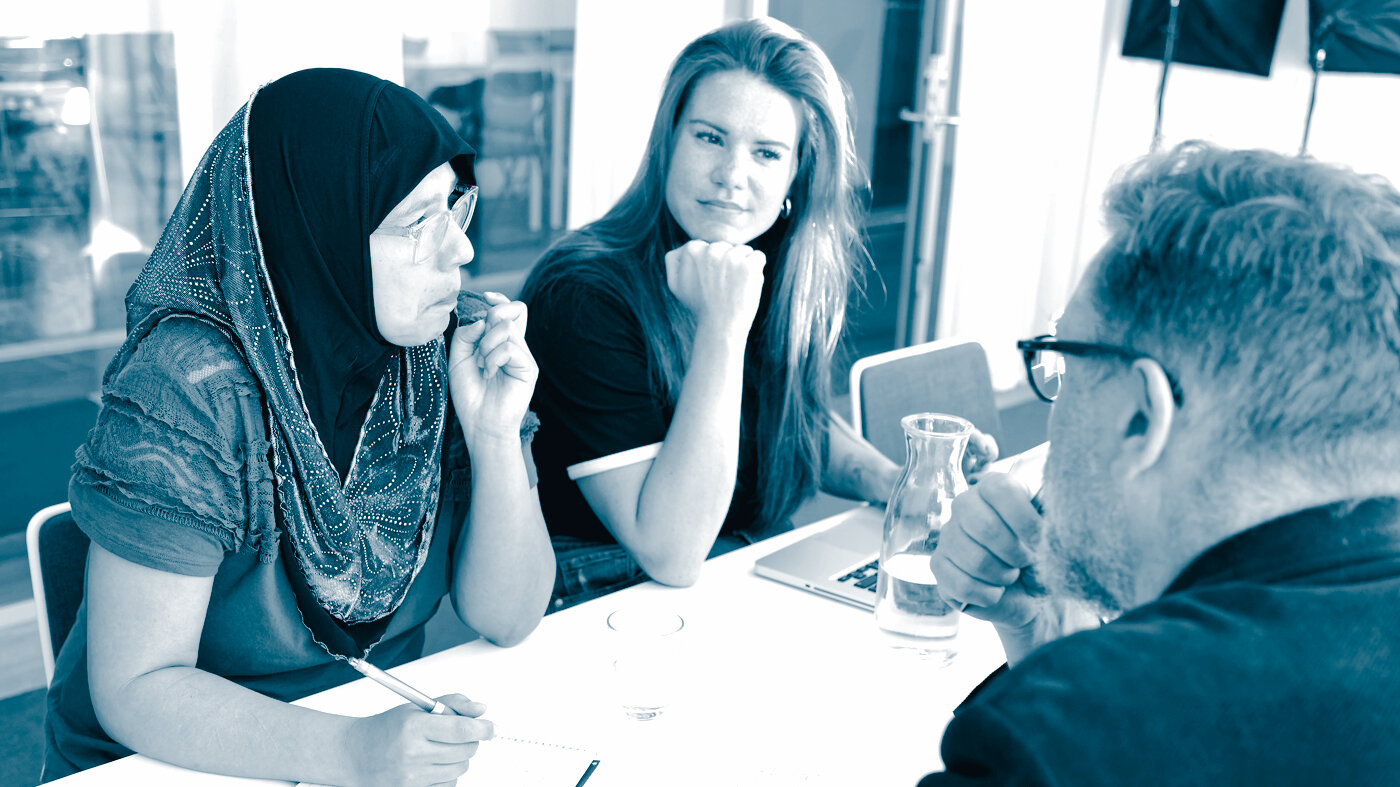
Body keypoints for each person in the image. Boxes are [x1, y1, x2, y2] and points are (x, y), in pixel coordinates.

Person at [42, 68, 555, 786]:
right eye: (417, 224)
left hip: (360, 743)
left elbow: (509, 614)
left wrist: (495, 436)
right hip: (173, 765)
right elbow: (137, 685)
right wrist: (353, 753)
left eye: (454, 209)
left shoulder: (442, 350)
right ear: (318, 235)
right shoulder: (187, 389)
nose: (460, 252)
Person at [921, 142, 1400, 784]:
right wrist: (1060, 649)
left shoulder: (1059, 738)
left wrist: (1079, 687)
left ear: (1143, 415)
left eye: (1064, 363)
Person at [522, 18, 994, 609]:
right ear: (668, 140)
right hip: (612, 605)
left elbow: (790, 420)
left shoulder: (766, 257)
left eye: (766, 152)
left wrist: (904, 483)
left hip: (743, 565)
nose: (731, 177)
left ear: (796, 172)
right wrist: (722, 328)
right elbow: (670, 550)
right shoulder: (583, 292)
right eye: (709, 138)